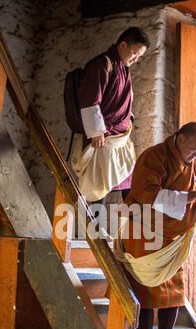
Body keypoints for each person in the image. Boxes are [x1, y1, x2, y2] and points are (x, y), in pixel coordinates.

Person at [113, 122, 196, 329]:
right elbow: (145, 194)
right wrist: (188, 198)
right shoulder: (154, 157)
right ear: (178, 138)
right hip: (145, 234)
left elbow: (191, 198)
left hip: (172, 239)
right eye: (193, 148)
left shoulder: (194, 164)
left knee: (174, 296)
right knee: (147, 294)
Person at [71, 27, 150, 206]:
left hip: (120, 141)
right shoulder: (101, 65)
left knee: (129, 189)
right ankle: (94, 231)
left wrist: (129, 118)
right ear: (123, 44)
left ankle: (134, 231)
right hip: (104, 140)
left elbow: (124, 99)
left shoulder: (123, 68)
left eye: (140, 56)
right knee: (100, 190)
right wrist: (96, 131)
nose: (136, 59)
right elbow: (90, 99)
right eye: (134, 53)